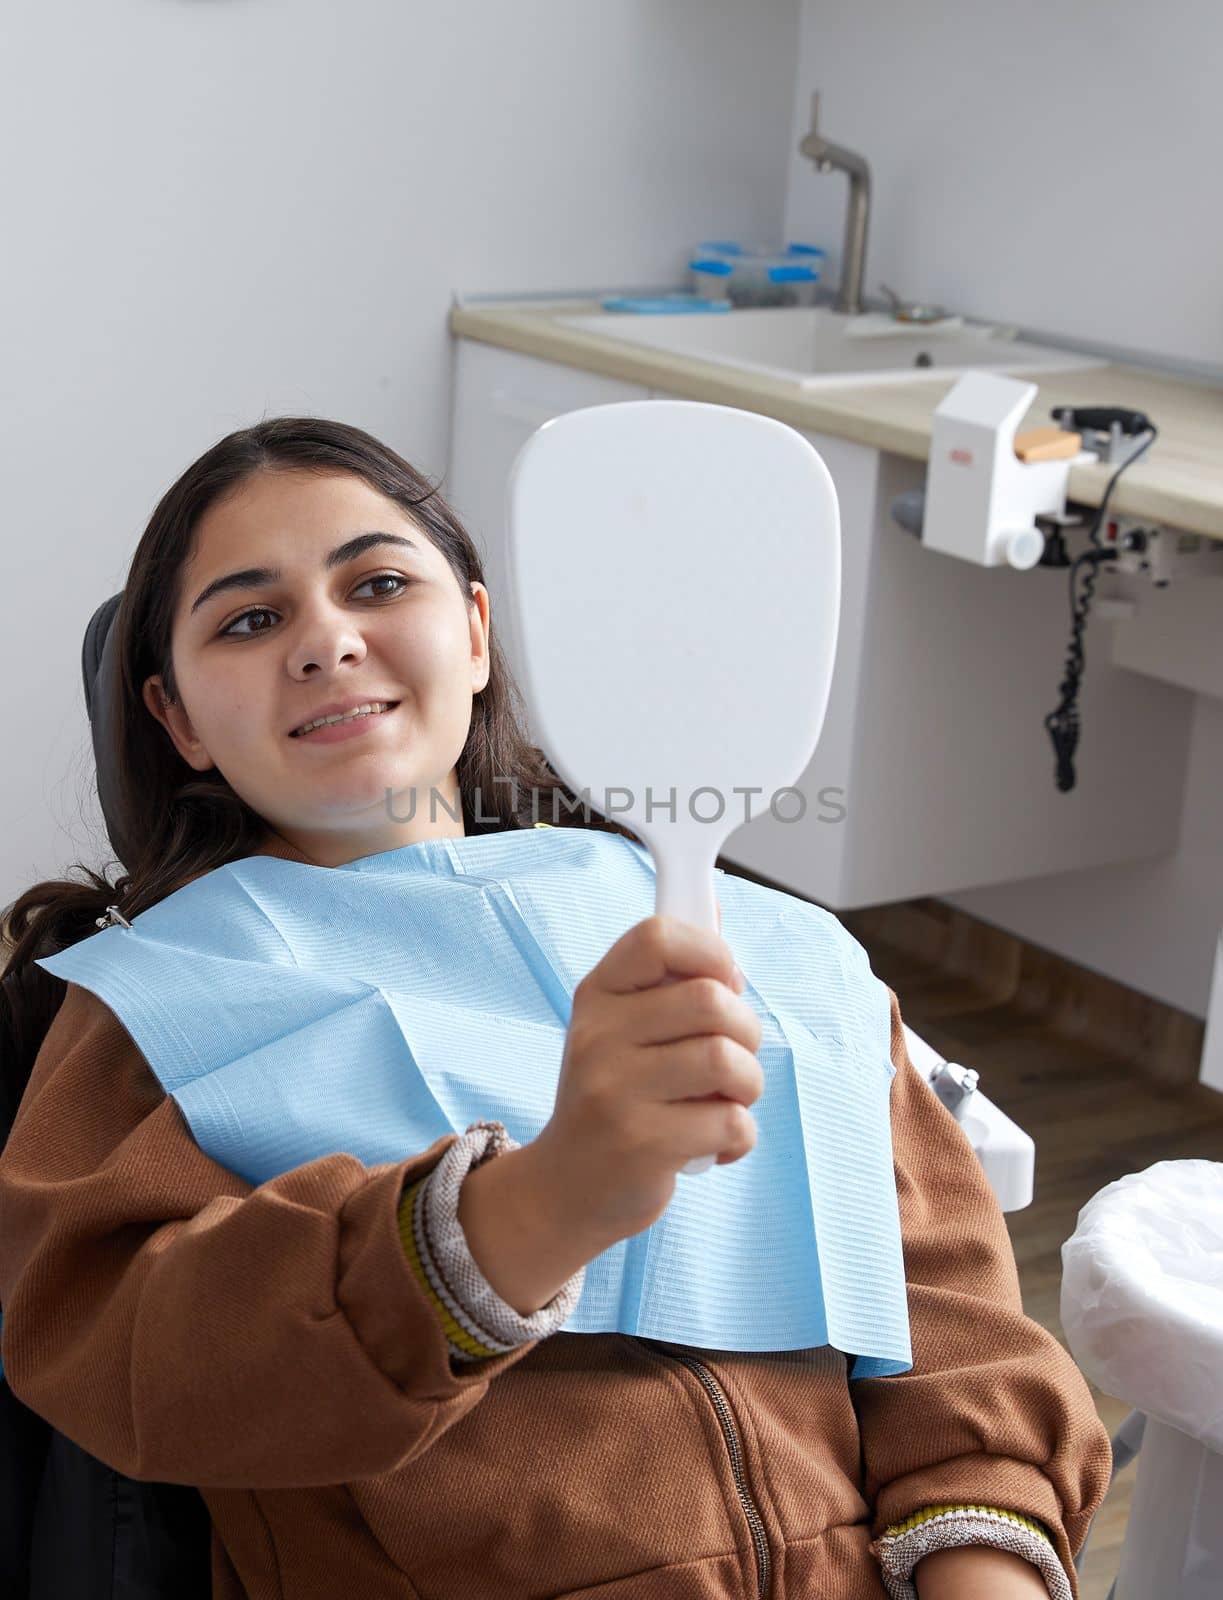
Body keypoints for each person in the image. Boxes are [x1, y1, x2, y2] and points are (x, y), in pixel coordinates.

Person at [0, 417, 1112, 1599]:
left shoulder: (768, 949)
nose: (326, 640)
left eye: (376, 582)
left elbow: (942, 1308)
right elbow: (140, 1364)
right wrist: (533, 1207)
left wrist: (980, 1558)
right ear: (175, 721)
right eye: (250, 618)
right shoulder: (147, 1006)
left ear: (474, 633)